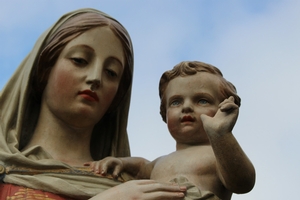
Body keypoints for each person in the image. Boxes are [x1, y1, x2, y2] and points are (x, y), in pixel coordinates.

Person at [0, 8, 187, 200]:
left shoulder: (136, 186)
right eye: (79, 60)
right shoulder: (4, 171)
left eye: (111, 72)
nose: (96, 77)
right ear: (45, 68)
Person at [86, 61, 256, 200]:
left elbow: (243, 182)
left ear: (222, 109)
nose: (187, 107)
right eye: (176, 102)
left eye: (202, 101)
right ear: (165, 113)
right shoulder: (160, 163)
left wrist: (221, 135)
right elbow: (141, 167)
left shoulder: (218, 154)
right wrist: (122, 162)